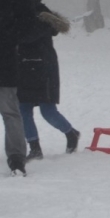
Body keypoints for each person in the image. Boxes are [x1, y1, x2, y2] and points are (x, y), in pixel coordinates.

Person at [17, 0, 80, 162]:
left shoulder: (40, 15)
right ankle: (35, 148)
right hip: (23, 67)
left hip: (43, 68)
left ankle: (71, 133)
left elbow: (25, 36)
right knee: (23, 110)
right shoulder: (17, 12)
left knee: (47, 110)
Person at [1, 0, 36, 176]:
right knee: (11, 114)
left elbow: (28, 24)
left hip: (6, 67)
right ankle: (16, 159)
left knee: (11, 114)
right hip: (6, 65)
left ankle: (16, 159)